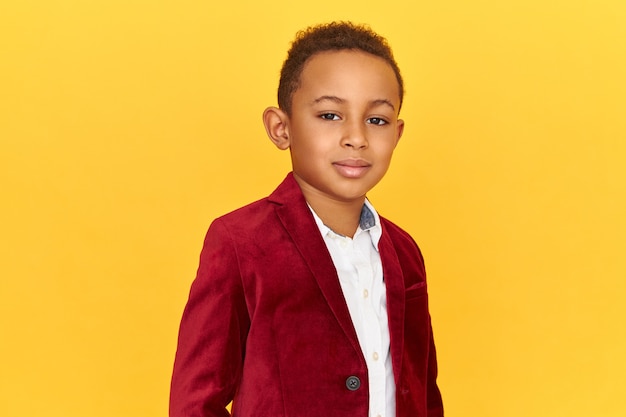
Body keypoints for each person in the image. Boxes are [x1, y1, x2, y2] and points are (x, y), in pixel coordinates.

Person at [170, 21, 444, 417]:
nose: (356, 137)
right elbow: (195, 402)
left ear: (397, 135)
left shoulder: (404, 252)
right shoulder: (240, 241)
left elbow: (422, 391)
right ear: (281, 128)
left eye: (378, 120)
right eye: (331, 115)